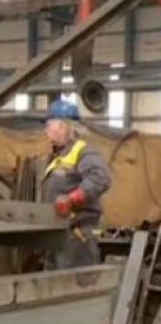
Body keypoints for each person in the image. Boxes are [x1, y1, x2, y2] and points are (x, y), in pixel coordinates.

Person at [41, 99, 111, 269]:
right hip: (56, 233)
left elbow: (100, 178)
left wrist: (72, 199)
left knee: (73, 283)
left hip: (77, 237)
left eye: (49, 125)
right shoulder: (57, 156)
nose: (45, 130)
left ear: (62, 126)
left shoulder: (83, 151)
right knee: (52, 283)